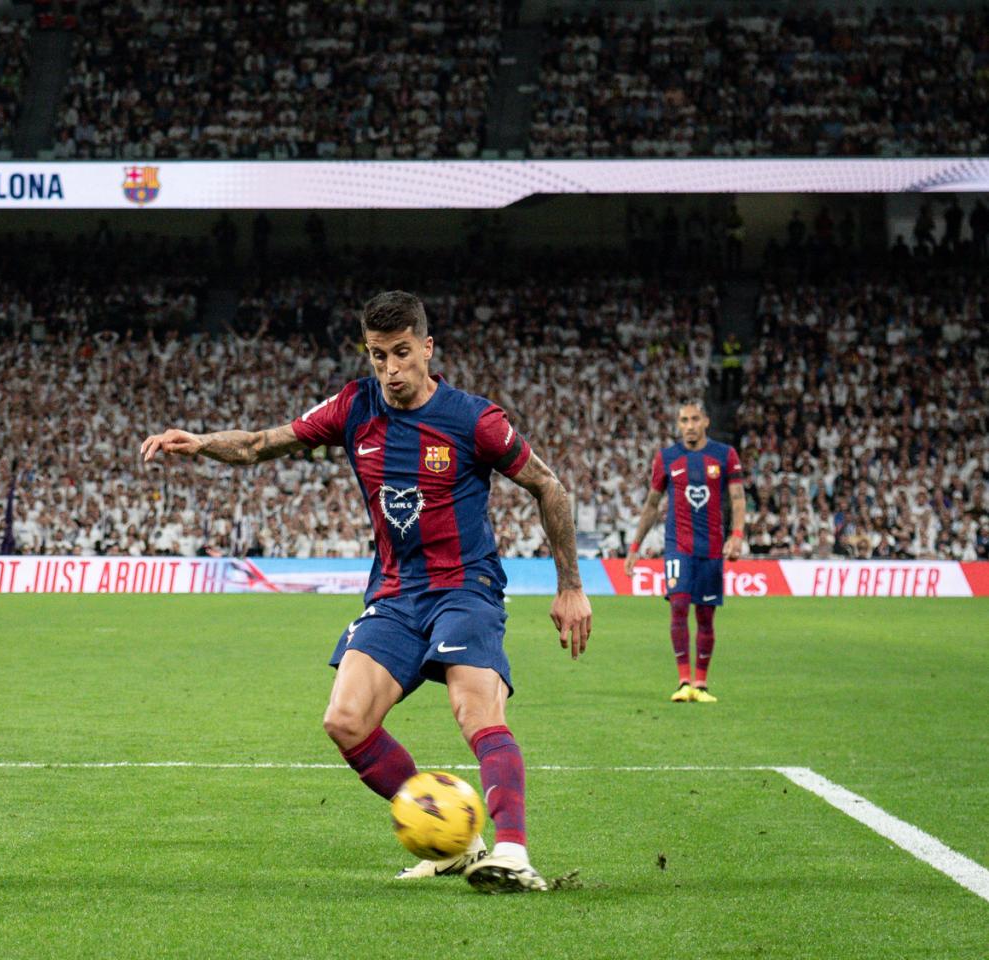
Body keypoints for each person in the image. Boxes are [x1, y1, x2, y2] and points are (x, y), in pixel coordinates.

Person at [141, 291, 591, 894]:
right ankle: (460, 844)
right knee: (345, 719)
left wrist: (570, 587)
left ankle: (512, 852)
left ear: (427, 348)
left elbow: (548, 486)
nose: (391, 369)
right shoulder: (355, 406)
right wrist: (199, 442)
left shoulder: (473, 419)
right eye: (378, 356)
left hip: (465, 588)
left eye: (402, 353)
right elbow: (258, 444)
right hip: (396, 595)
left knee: (475, 711)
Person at [625, 400, 745, 703]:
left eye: (694, 419)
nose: (689, 426)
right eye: (683, 420)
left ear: (705, 421)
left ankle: (701, 685)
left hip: (712, 548)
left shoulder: (725, 455)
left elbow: (738, 498)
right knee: (678, 605)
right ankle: (683, 681)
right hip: (678, 546)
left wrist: (737, 536)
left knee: (705, 615)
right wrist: (635, 546)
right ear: (678, 424)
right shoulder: (667, 458)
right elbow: (652, 504)